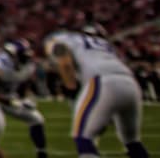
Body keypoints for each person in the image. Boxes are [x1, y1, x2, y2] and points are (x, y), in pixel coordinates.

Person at [44, 24, 148, 158]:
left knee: (83, 138)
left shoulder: (65, 38)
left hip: (101, 81)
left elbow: (64, 61)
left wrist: (71, 90)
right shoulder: (106, 46)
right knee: (132, 142)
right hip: (130, 83)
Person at [0, 39, 48, 158]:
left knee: (36, 119)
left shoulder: (29, 65)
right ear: (13, 56)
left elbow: (24, 86)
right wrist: (14, 102)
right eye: (23, 56)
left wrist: (27, 99)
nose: (26, 58)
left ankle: (41, 152)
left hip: (7, 96)